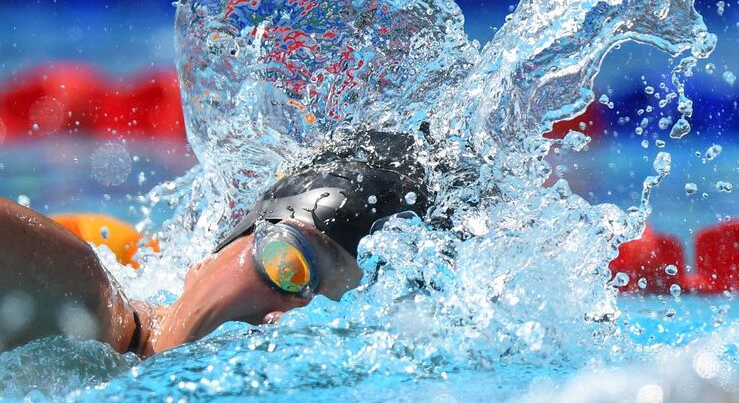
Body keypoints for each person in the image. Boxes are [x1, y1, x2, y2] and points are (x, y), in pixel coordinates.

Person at [0, 131, 429, 358]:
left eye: (336, 319)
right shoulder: (68, 297)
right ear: (222, 244)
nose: (287, 322)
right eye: (290, 267)